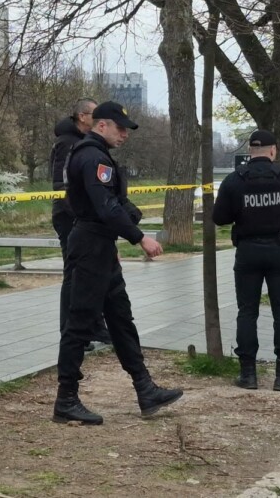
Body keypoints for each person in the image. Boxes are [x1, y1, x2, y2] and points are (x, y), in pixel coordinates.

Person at [53, 101, 183, 425]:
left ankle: (145, 388)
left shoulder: (97, 155)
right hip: (90, 247)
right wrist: (140, 237)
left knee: (121, 319)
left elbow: (112, 202)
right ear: (102, 125)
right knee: (79, 324)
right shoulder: (92, 156)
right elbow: (105, 207)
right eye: (120, 128)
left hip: (101, 247)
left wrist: (130, 214)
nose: (125, 135)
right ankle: (66, 399)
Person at [212, 130, 280, 391]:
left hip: (247, 252)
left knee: (246, 312)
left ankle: (248, 375)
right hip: (279, 250)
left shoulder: (234, 180)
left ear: (250, 151)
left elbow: (219, 217)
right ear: (273, 151)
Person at [50, 98, 110, 347]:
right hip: (70, 218)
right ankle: (71, 332)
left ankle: (92, 326)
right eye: (95, 114)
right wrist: (79, 217)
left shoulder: (86, 142)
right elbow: (61, 185)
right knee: (73, 274)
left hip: (84, 218)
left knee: (90, 274)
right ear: (82, 116)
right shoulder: (67, 143)